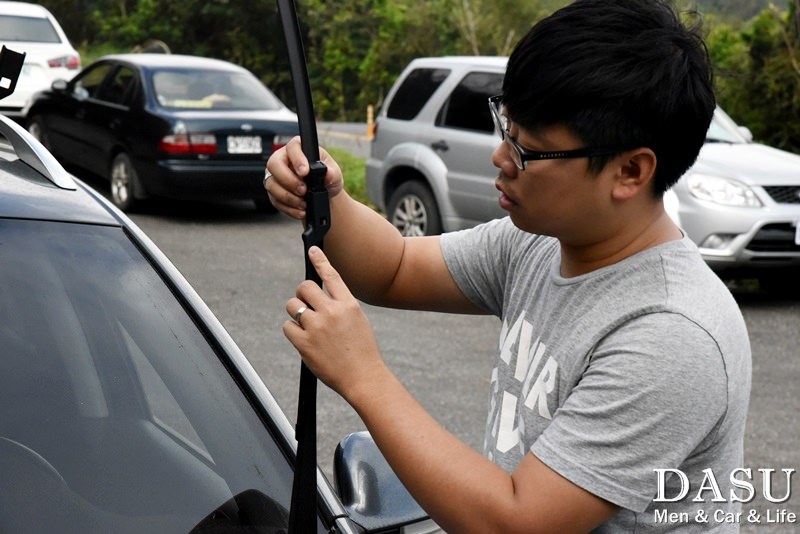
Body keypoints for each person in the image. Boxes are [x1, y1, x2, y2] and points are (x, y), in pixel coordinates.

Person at [265, 0, 752, 531]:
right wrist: (327, 196)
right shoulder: (543, 243)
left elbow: (516, 523)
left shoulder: (671, 335)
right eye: (506, 126)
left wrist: (363, 376)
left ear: (630, 171)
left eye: (527, 149)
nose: (501, 157)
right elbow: (396, 267)